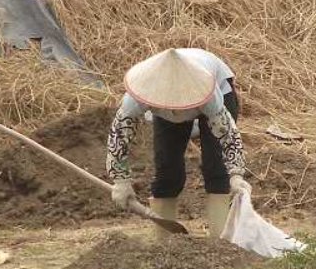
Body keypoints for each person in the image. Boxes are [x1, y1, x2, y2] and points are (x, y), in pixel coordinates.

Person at [106, 48, 251, 238]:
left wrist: (236, 175)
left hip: (216, 86)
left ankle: (221, 241)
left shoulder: (209, 93)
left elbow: (228, 136)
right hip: (162, 106)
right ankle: (164, 242)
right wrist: (120, 180)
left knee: (216, 168)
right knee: (167, 169)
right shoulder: (139, 96)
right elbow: (119, 135)